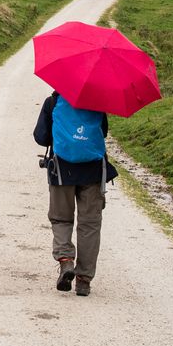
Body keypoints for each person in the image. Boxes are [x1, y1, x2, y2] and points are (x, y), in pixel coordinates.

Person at [33, 90, 118, 297]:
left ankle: (66, 262)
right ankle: (83, 280)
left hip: (62, 170)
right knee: (89, 225)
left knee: (61, 219)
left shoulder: (53, 102)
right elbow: (103, 132)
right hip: (92, 171)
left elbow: (40, 137)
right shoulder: (98, 102)